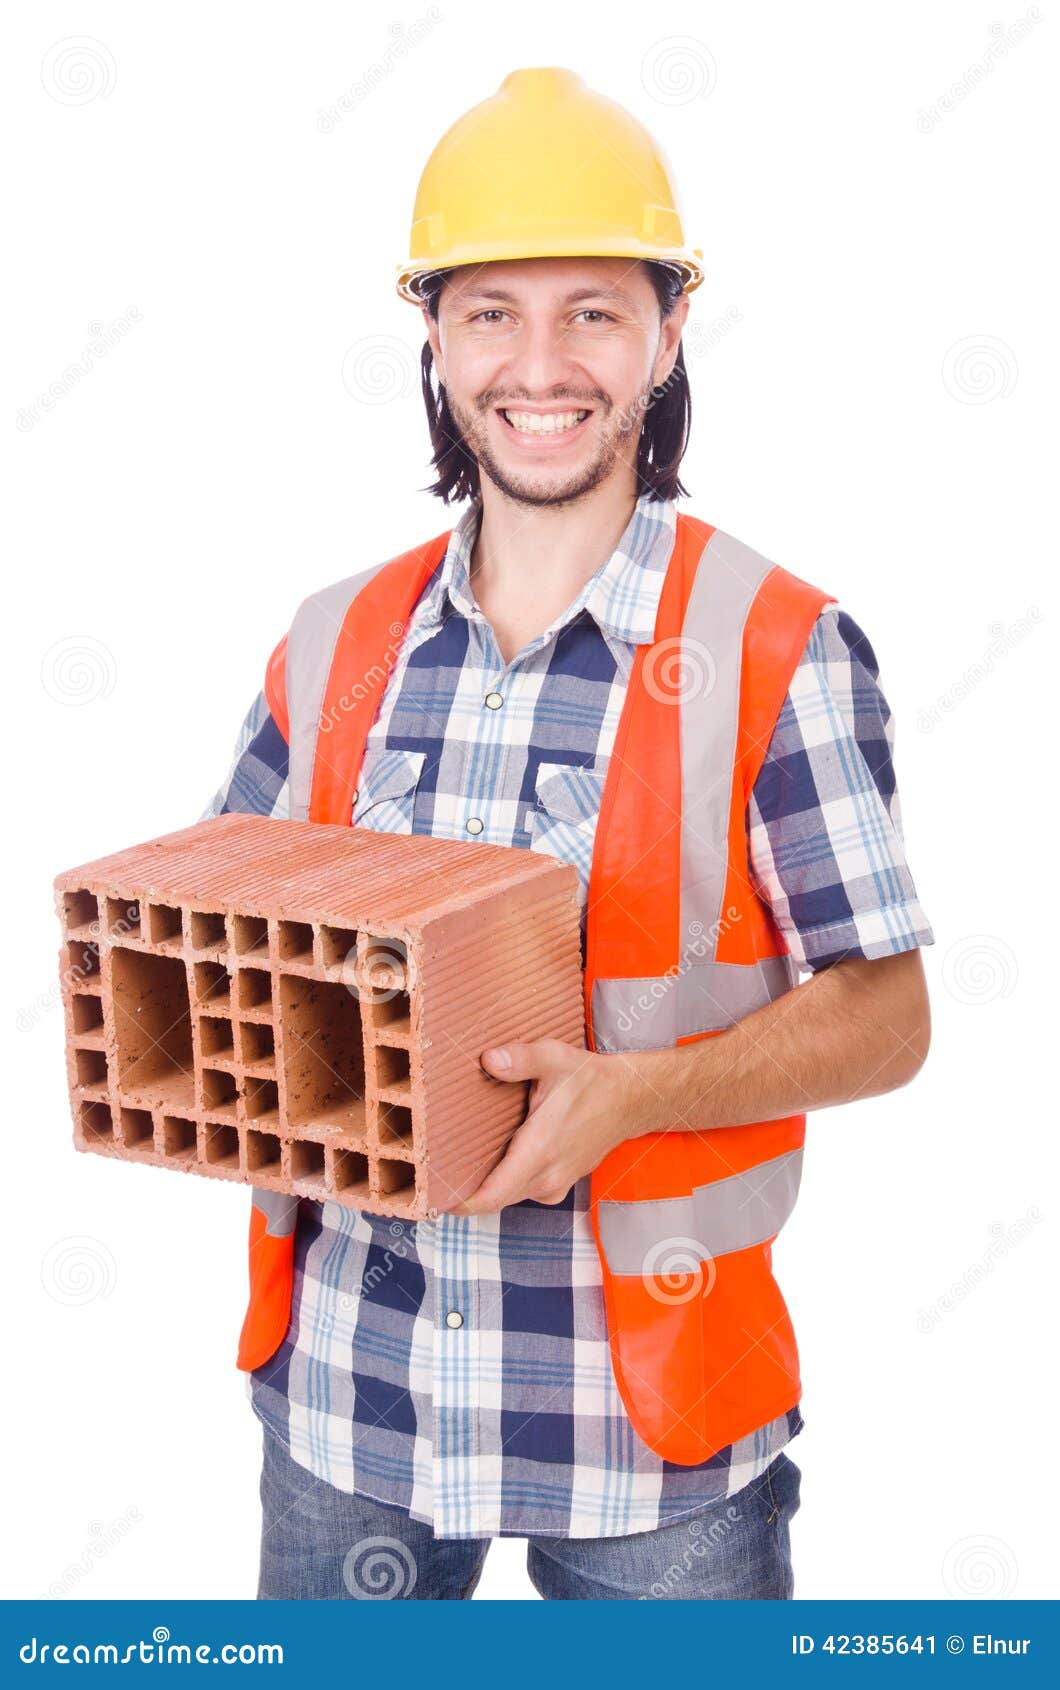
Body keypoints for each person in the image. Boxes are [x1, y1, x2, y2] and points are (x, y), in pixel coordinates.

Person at [202, 67, 934, 1601]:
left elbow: (889, 1015)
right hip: (352, 1401)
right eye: (492, 313)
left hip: (650, 1434)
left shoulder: (772, 645)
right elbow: (222, 935)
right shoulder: (333, 641)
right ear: (432, 336)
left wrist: (637, 1096)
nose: (540, 366)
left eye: (593, 312)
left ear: (669, 333)